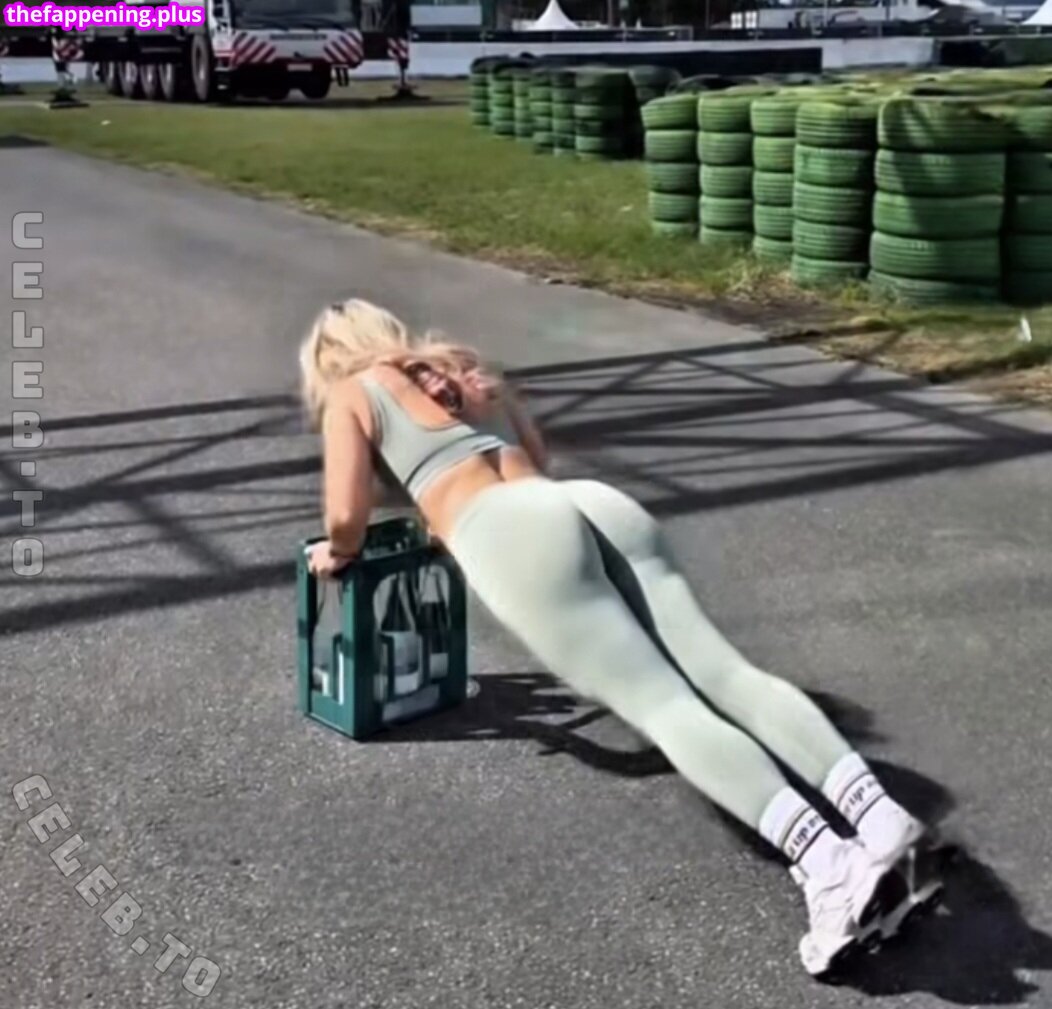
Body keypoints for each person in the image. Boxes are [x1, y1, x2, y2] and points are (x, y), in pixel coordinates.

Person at [300, 297, 943, 978]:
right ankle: (880, 818)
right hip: (588, 503)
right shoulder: (461, 366)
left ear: (329, 358)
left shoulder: (351, 392)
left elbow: (345, 515)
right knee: (725, 672)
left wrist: (338, 552)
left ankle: (831, 864)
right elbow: (533, 457)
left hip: (509, 535)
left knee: (663, 705)